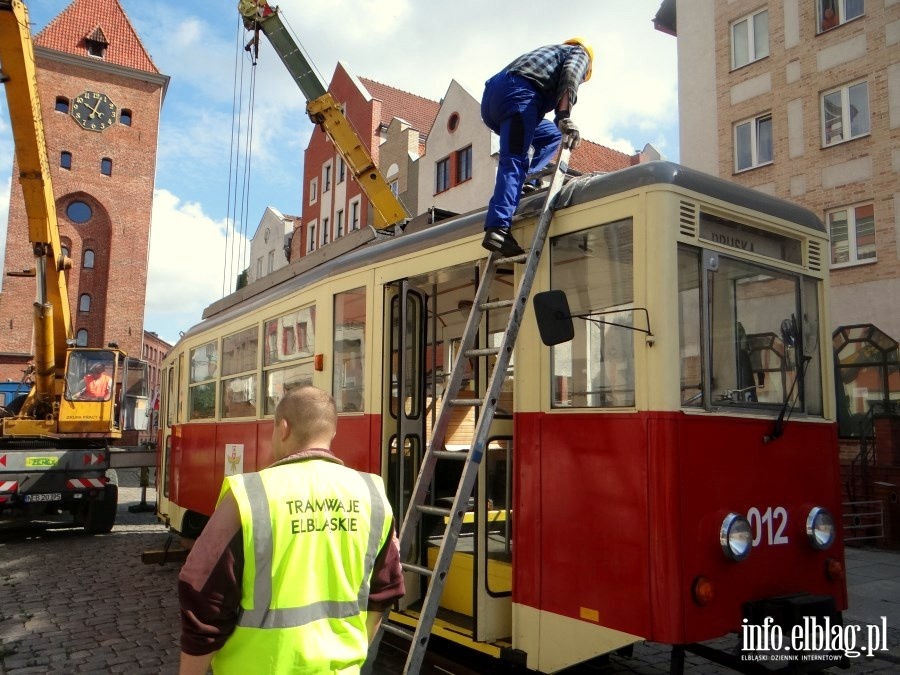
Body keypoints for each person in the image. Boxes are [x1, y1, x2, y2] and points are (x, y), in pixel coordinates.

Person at [178, 386, 404, 674]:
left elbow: (203, 595)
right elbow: (384, 592)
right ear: (332, 433)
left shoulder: (250, 495)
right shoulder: (372, 493)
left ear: (282, 428)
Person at [480, 38, 594, 257]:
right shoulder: (581, 54)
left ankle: (524, 179)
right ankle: (498, 229)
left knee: (550, 135)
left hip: (494, 100)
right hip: (520, 94)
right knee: (514, 160)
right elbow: (571, 76)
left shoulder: (550, 53)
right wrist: (563, 116)